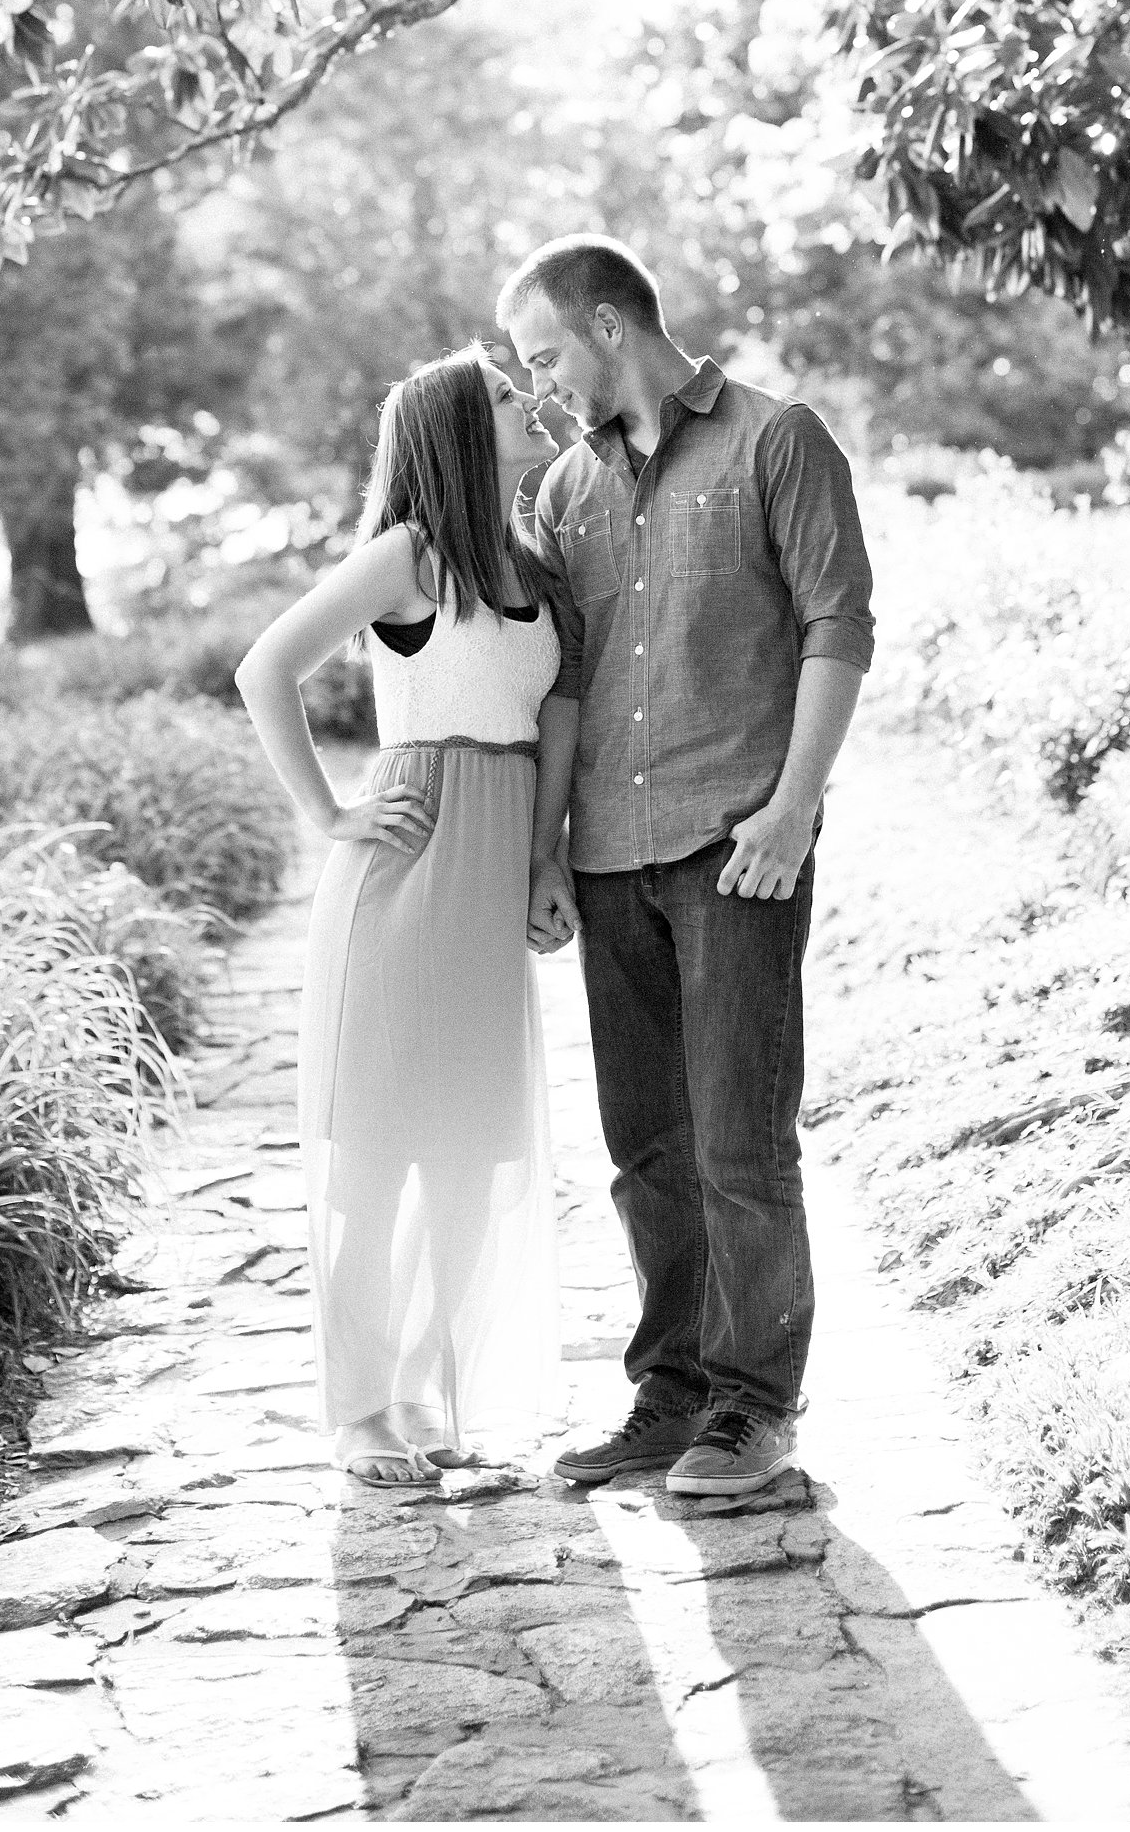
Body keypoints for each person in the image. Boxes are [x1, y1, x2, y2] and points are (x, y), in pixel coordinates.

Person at [500, 235, 873, 1500]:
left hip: (737, 849)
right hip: (609, 857)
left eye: (545, 352)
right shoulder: (562, 491)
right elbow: (557, 681)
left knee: (738, 1141)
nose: (541, 382)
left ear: (610, 323)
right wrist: (546, 846)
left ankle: (754, 1408)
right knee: (643, 1145)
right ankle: (668, 1394)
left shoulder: (779, 439)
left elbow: (837, 625)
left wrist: (790, 807)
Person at [234, 345, 576, 1486]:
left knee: (471, 1156)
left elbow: (551, 727)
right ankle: (358, 1409)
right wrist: (328, 812)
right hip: (406, 871)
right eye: (499, 396)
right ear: (451, 430)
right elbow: (263, 666)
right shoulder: (408, 555)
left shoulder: (533, 559)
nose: (527, 402)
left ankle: (434, 1389)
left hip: (490, 880)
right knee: (374, 1161)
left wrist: (541, 866)